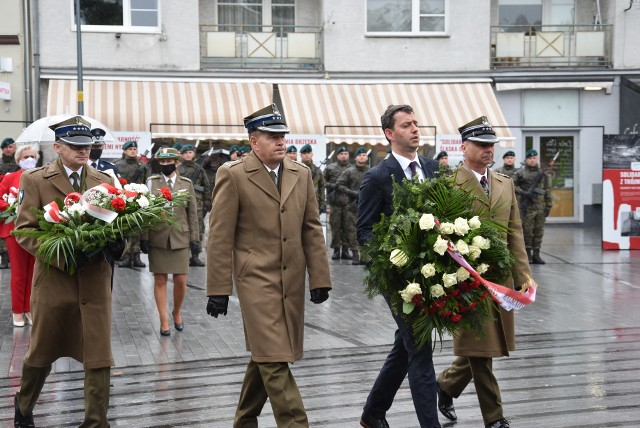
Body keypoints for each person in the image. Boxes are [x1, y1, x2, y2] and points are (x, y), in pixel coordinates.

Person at [206, 104, 332, 428]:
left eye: (283, 136)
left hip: (291, 281)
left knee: (265, 354)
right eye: (272, 136)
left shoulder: (300, 174)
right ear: (253, 141)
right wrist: (218, 289)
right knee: (275, 359)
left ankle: (244, 421)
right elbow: (219, 237)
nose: (281, 142)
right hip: (255, 281)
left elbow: (311, 228)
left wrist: (320, 277)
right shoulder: (232, 175)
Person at [13, 115, 123, 427]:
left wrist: (118, 244)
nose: (83, 151)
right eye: (75, 145)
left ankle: (95, 421)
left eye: (87, 145)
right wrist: (65, 253)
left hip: (96, 281)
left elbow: (118, 221)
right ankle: (24, 404)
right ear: (58, 146)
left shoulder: (104, 181)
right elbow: (25, 231)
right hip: (55, 281)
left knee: (99, 355)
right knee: (41, 353)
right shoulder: (35, 180)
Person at [436, 116, 531, 428]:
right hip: (466, 281)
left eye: (491, 144)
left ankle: (446, 385)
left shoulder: (505, 184)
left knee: (483, 346)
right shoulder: (449, 186)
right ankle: (495, 418)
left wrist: (524, 275)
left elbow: (514, 232)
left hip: (500, 280)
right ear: (464, 147)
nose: (489, 149)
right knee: (481, 349)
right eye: (481, 144)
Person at [357, 105, 441, 428]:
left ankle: (373, 412)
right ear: (390, 134)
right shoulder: (377, 177)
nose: (415, 129)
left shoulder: (432, 168)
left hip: (434, 275)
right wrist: (394, 259)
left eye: (416, 123)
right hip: (399, 282)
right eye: (407, 125)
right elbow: (363, 231)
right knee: (420, 349)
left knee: (405, 346)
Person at [141, 147, 199, 336]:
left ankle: (176, 312)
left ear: (177, 162)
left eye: (169, 162)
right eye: (162, 162)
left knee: (181, 280)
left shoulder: (186, 184)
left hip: (180, 236)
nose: (165, 165)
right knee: (160, 279)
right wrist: (143, 237)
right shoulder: (151, 183)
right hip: (157, 236)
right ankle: (164, 320)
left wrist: (195, 239)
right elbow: (144, 211)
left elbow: (193, 213)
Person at [0, 144, 38, 327]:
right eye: (25, 157)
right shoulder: (10, 178)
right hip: (14, 230)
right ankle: (17, 311)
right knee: (19, 273)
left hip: (35, 230)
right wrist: (11, 207)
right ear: (18, 160)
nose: (29, 159)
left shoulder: (40, 177)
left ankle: (29, 309)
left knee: (33, 273)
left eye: (32, 156)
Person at [513, 149, 553, 264]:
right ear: (526, 159)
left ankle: (537, 254)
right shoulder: (521, 173)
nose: (532, 160)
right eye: (530, 158)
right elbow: (513, 185)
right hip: (526, 208)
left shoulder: (543, 174)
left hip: (540, 207)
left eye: (534, 158)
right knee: (527, 231)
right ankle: (528, 255)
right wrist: (524, 192)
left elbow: (547, 190)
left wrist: (549, 205)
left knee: (539, 231)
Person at [114, 140, 149, 268]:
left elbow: (147, 182)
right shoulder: (117, 165)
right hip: (123, 200)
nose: (133, 151)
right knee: (125, 229)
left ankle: (137, 256)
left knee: (138, 228)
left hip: (139, 200)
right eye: (130, 149)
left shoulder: (143, 166)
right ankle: (126, 255)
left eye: (135, 149)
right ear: (124, 151)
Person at [177, 144, 211, 266]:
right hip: (181, 203)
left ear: (194, 154)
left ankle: (195, 255)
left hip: (198, 204)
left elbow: (206, 186)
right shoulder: (178, 169)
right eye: (185, 153)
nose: (188, 154)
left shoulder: (200, 169)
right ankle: (183, 254)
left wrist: (207, 202)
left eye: (190, 152)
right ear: (181, 154)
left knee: (199, 229)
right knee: (182, 228)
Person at [337, 146, 369, 265]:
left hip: (367, 207)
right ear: (355, 157)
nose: (362, 157)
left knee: (366, 230)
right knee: (352, 231)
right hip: (352, 206)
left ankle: (365, 256)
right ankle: (355, 254)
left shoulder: (371, 171)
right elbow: (339, 185)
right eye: (359, 155)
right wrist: (352, 193)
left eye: (364, 155)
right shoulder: (349, 171)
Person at [324, 146, 352, 260]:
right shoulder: (330, 168)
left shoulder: (352, 168)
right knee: (335, 227)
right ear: (338, 156)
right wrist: (331, 186)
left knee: (348, 227)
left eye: (346, 153)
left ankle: (345, 250)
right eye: (342, 154)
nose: (344, 155)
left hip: (349, 203)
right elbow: (323, 181)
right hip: (335, 202)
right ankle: (336, 250)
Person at [0, 137, 18, 269]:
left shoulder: (20, 163)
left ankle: (12, 257)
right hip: (3, 199)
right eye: (5, 147)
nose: (8, 149)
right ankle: (4, 258)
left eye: (10, 146)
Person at [299, 143, 326, 214]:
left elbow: (322, 187)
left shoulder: (317, 171)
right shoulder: (296, 169)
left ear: (312, 154)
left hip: (314, 203)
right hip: (299, 204)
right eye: (304, 153)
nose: (307, 155)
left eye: (308, 153)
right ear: (301, 155)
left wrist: (322, 204)